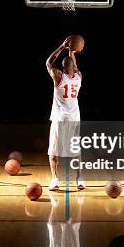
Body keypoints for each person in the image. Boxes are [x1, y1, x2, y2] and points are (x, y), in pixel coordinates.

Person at [46, 36, 85, 191]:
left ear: (62, 68)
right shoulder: (79, 77)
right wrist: (71, 51)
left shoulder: (58, 77)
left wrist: (62, 46)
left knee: (53, 151)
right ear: (74, 68)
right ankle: (80, 179)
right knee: (76, 150)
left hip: (60, 118)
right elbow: (74, 66)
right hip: (75, 118)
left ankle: (55, 180)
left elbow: (48, 62)